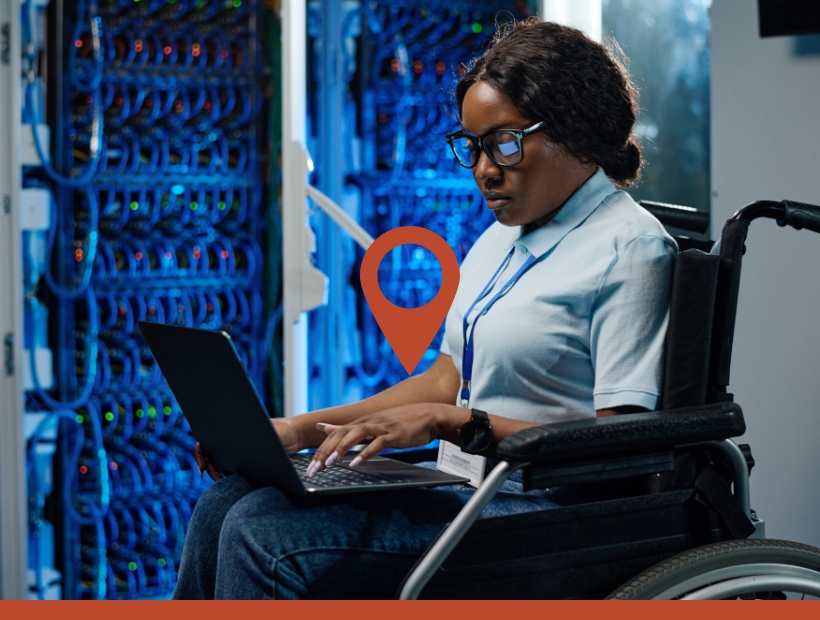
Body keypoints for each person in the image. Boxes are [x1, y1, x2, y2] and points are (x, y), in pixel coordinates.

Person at [174, 18, 677, 600]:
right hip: (467, 487)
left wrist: (457, 423)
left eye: (505, 142)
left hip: (547, 512)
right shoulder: (502, 236)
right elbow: (446, 379)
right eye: (474, 146)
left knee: (263, 534)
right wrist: (297, 431)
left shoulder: (631, 250)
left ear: (577, 133)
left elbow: (624, 443)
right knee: (225, 502)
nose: (486, 169)